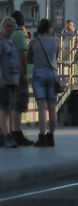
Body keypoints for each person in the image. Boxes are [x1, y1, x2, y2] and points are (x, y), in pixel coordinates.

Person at [27, 19, 60, 147]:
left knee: (42, 108)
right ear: (50, 29)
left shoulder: (34, 42)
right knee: (52, 108)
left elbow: (29, 59)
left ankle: (42, 138)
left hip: (38, 75)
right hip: (53, 76)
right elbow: (55, 57)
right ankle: (51, 136)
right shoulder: (56, 41)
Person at [10, 11, 34, 146]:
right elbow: (23, 55)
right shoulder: (19, 34)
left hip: (10, 73)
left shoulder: (8, 35)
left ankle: (9, 132)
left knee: (10, 104)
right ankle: (17, 132)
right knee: (19, 103)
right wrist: (25, 74)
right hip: (19, 74)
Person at [0, 18, 22, 148]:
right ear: (3, 26)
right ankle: (8, 137)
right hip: (5, 80)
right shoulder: (1, 41)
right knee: (5, 110)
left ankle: (2, 136)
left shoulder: (10, 42)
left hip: (13, 79)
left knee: (7, 108)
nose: (9, 29)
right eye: (7, 26)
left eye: (12, 27)